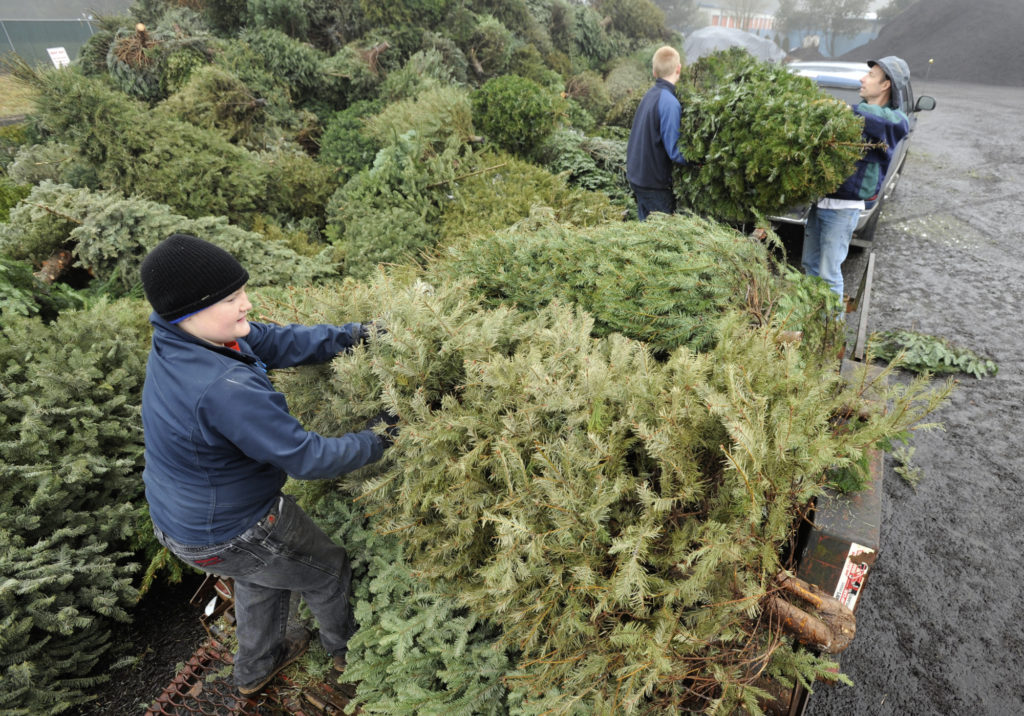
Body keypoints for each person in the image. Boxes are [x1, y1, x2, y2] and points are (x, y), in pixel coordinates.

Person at [139, 233, 397, 695]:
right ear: (191, 310)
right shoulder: (221, 388)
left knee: (260, 572)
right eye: (233, 298)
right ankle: (349, 657)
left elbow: (276, 340)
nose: (247, 304)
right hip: (235, 527)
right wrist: (382, 435)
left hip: (188, 523)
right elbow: (308, 457)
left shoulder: (184, 341)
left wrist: (357, 336)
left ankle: (256, 669)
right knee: (325, 569)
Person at [801, 56, 911, 299]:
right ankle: (809, 325)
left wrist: (843, 109)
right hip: (822, 202)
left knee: (828, 275)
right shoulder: (857, 113)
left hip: (843, 209)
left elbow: (883, 121)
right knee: (810, 266)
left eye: (871, 75)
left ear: (886, 85)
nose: (863, 78)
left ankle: (832, 335)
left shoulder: (892, 120)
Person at [626, 45, 689, 221]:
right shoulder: (669, 102)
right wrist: (698, 160)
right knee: (662, 238)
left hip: (638, 176)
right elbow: (675, 151)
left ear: (654, 72)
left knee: (646, 234)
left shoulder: (650, 95)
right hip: (653, 184)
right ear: (678, 69)